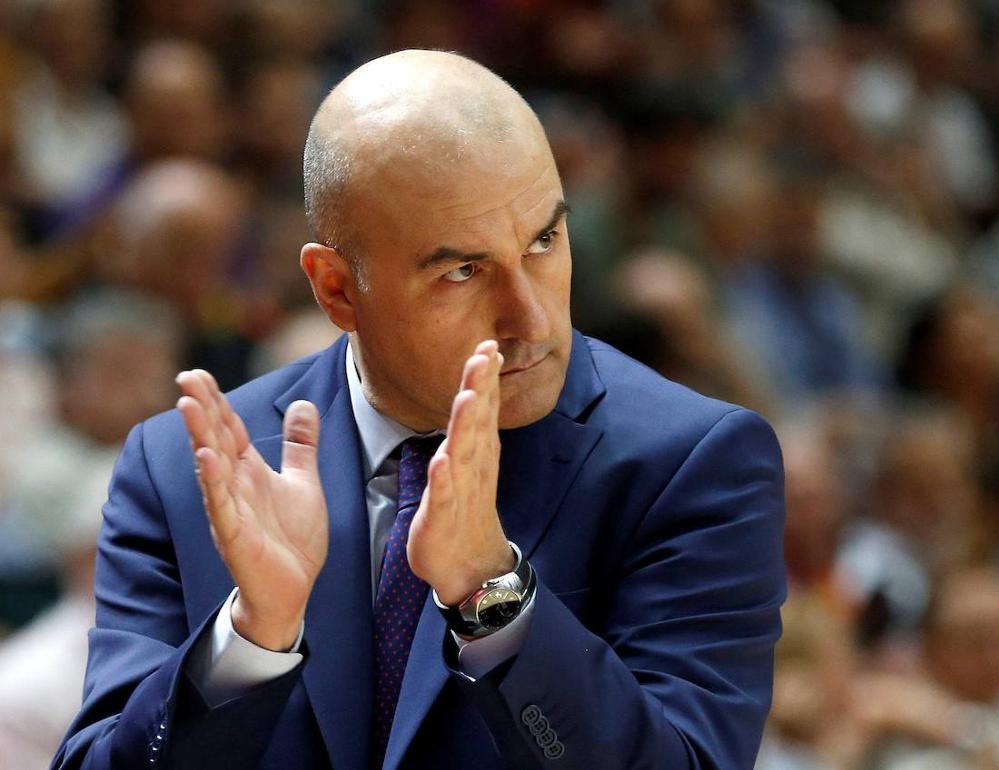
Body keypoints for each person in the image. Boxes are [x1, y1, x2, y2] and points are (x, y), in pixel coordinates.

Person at [52, 50, 786, 769]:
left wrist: (493, 593)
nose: (530, 320)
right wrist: (251, 638)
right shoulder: (183, 470)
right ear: (337, 288)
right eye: (464, 271)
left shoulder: (693, 464)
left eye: (544, 241)